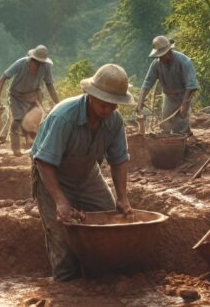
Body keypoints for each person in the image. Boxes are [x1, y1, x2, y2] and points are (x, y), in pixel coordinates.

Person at [30, 63, 135, 281]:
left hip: (88, 173)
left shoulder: (115, 122)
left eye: (113, 104)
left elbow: (119, 160)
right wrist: (60, 200)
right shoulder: (64, 117)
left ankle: (99, 279)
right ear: (90, 95)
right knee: (62, 235)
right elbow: (44, 161)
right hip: (52, 173)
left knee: (109, 222)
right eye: (103, 103)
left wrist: (122, 197)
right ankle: (67, 290)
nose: (108, 109)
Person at [0, 45, 60, 156]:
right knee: (17, 120)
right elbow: (3, 77)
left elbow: (50, 85)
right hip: (16, 96)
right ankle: (16, 149)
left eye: (40, 64)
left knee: (37, 120)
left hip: (32, 96)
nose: (37, 66)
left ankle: (37, 146)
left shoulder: (46, 67)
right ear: (31, 60)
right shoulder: (22, 63)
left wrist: (58, 103)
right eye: (35, 63)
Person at [134, 36, 199, 135]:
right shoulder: (156, 64)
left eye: (162, 55)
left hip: (184, 95)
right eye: (158, 55)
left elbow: (192, 86)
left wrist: (185, 104)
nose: (160, 57)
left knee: (181, 123)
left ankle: (185, 140)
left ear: (169, 51)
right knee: (165, 126)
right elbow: (147, 83)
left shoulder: (184, 62)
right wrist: (140, 101)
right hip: (169, 96)